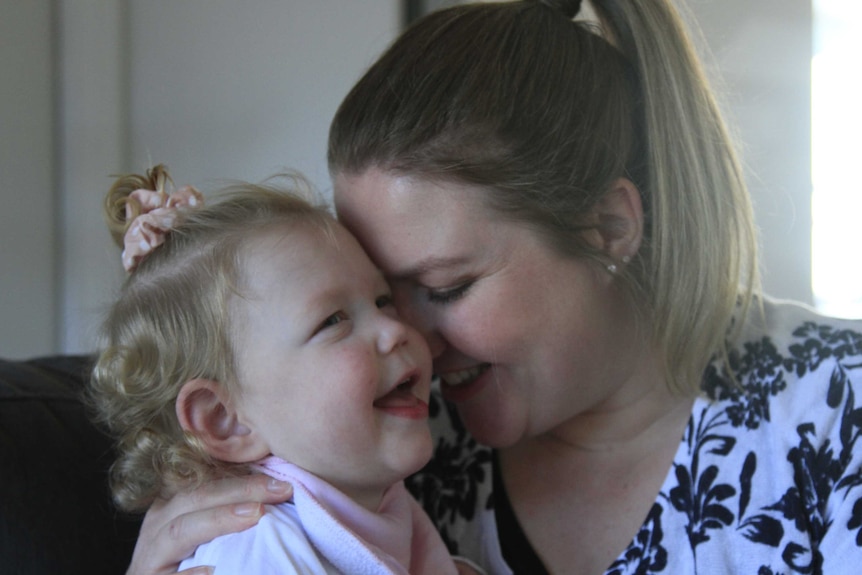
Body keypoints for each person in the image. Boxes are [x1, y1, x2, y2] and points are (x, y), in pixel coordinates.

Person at [126, 1, 862, 574]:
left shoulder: (837, 410)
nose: (406, 334)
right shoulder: (385, 445)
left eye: (446, 286)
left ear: (607, 226)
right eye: (383, 290)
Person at [90, 165, 476, 574]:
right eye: (333, 320)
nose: (395, 329)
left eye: (383, 300)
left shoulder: (376, 508)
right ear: (226, 420)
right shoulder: (259, 549)